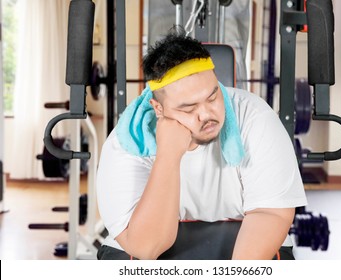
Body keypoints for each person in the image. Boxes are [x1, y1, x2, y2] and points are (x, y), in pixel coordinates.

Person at [96, 32, 307, 260]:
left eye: (212, 96)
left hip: (245, 236)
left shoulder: (255, 117)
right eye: (188, 108)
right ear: (159, 109)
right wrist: (168, 155)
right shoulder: (127, 142)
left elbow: (271, 213)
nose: (207, 114)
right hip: (153, 240)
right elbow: (146, 248)